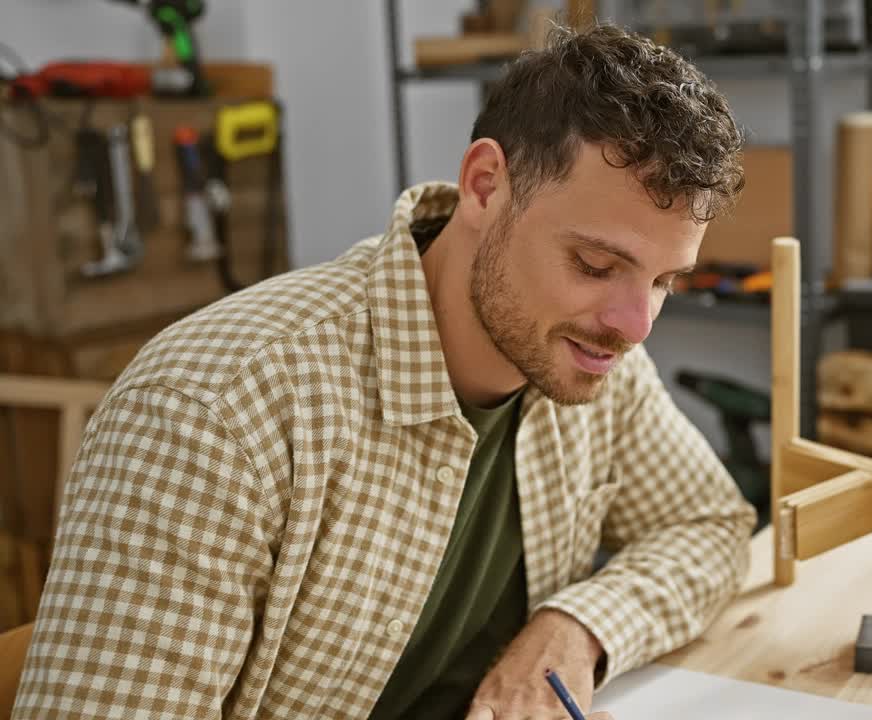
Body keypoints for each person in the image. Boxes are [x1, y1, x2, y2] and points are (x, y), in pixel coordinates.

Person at [13, 22, 755, 720]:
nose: (636, 325)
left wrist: (576, 627)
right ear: (485, 185)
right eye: (596, 264)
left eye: (665, 282)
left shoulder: (592, 352)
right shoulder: (213, 414)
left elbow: (709, 525)